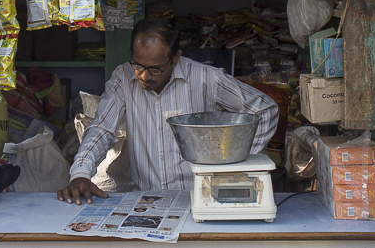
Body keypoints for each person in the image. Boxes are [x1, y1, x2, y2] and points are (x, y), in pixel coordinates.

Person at [57, 17, 279, 204]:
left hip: (201, 198)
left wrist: (236, 164)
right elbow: (102, 129)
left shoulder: (205, 78)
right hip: (149, 200)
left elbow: (265, 109)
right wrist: (80, 174)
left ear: (175, 59)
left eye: (155, 69)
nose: (144, 76)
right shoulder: (123, 78)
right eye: (138, 65)